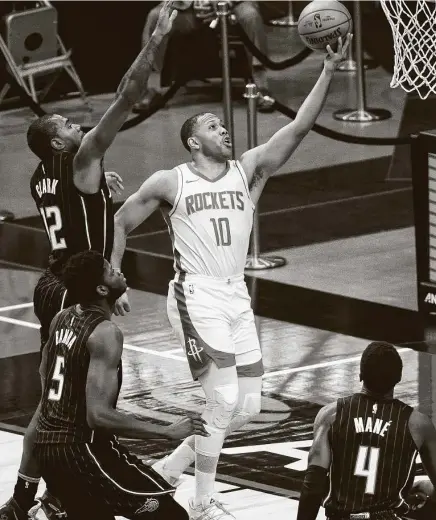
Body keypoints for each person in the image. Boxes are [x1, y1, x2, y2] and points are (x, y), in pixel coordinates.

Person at [111, 35, 351, 520]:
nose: (225, 130)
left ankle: (169, 471)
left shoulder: (249, 171)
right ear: (193, 141)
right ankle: (199, 503)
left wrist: (328, 70)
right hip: (195, 295)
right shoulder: (170, 180)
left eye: (223, 125)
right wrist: (114, 273)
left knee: (244, 408)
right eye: (213, 126)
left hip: (236, 295)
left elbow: (299, 128)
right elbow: (118, 221)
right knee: (219, 399)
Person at [0, 3, 179, 519]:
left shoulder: (42, 175)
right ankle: (61, 490)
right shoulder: (80, 161)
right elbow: (127, 94)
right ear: (58, 142)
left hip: (53, 279)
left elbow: (95, 217)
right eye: (68, 123)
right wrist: (154, 42)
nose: (79, 123)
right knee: (79, 400)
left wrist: (100, 190)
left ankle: (27, 496)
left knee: (55, 397)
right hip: (69, 284)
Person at [31, 250, 209, 520]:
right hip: (83, 451)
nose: (119, 271)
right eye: (111, 271)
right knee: (171, 516)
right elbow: (98, 416)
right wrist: (167, 431)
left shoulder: (61, 318)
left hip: (49, 450)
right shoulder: (105, 333)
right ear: (102, 289)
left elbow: (44, 373)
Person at [296, 342, 436, 520]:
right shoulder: (418, 424)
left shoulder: (331, 416)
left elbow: (313, 486)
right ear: (399, 378)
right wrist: (424, 486)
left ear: (360, 374)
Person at [134, 1, 275, 113]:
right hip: (187, 8)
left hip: (234, 6)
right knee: (155, 17)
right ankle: (150, 89)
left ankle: (261, 87)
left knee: (251, 16)